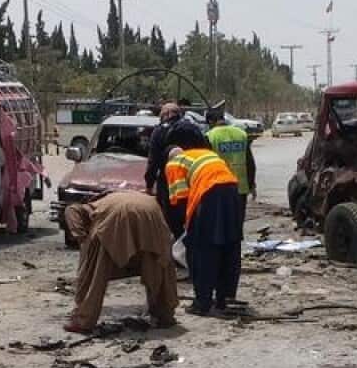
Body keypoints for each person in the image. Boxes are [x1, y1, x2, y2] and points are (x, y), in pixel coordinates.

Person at [63, 191, 178, 334]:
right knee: (158, 264)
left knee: (94, 271)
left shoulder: (84, 209)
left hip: (117, 216)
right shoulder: (114, 197)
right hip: (152, 211)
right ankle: (165, 315)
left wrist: (82, 240)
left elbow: (72, 213)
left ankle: (83, 321)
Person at [165, 125, 243, 316]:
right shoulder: (208, 154)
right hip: (232, 192)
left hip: (209, 195)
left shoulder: (174, 163)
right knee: (230, 245)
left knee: (202, 250)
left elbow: (180, 201)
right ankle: (225, 299)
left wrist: (184, 230)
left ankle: (202, 302)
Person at [205, 108, 257, 227]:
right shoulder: (241, 134)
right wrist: (251, 184)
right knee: (238, 223)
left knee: (222, 224)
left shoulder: (210, 136)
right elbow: (250, 162)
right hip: (241, 187)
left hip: (219, 188)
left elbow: (206, 165)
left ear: (210, 122)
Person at [144, 102, 186, 238]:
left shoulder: (159, 131)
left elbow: (153, 162)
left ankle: (175, 244)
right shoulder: (192, 128)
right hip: (192, 180)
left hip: (169, 183)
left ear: (164, 115)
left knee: (169, 221)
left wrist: (149, 185)